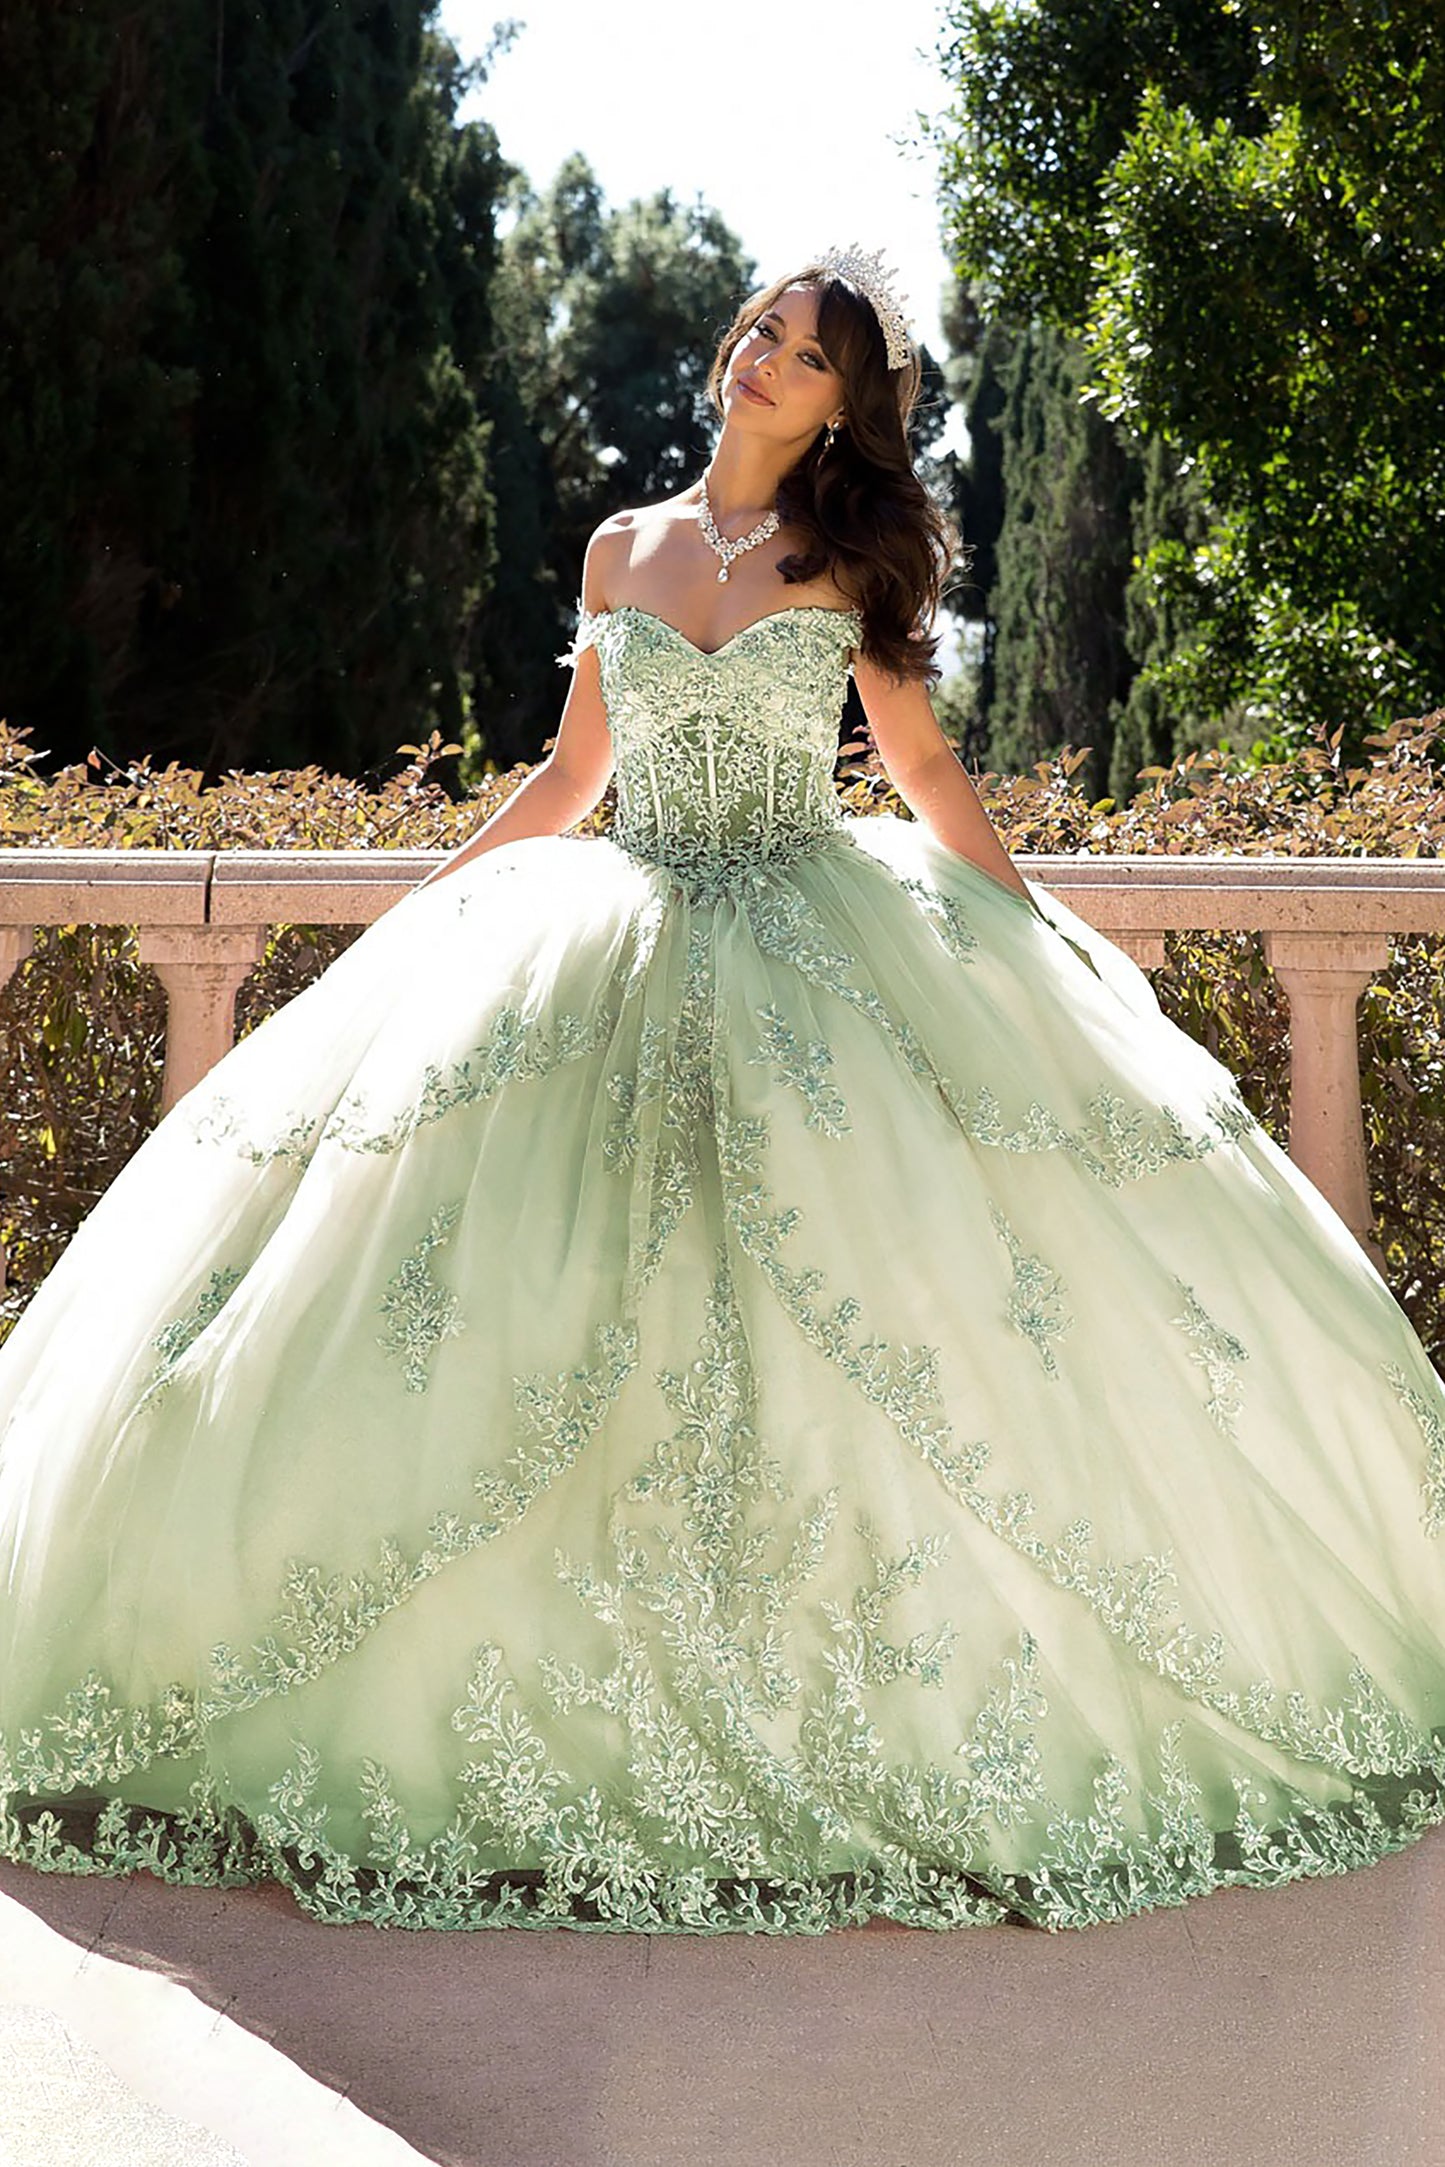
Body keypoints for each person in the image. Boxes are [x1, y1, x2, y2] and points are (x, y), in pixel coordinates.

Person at [2, 246, 1444, 1938]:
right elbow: (569, 772)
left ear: (845, 405)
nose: (765, 356)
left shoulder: (841, 567)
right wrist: (427, 910)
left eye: (808, 351)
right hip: (603, 937)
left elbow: (916, 768)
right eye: (761, 327)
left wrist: (1027, 925)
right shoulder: (626, 543)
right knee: (512, 1307)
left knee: (852, 1314)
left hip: (811, 953)